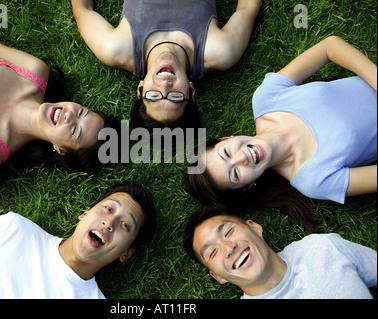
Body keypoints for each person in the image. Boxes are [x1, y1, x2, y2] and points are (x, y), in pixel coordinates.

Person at [184, 36, 377, 222]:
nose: (241, 158)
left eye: (226, 153)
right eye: (235, 174)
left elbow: (330, 47)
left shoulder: (266, 99)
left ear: (226, 138)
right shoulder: (312, 180)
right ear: (246, 187)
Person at [0, 22, 120, 172]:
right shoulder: (34, 70)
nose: (70, 116)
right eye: (81, 112)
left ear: (61, 149)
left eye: (75, 130)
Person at [0, 181, 156, 298]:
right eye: (108, 209)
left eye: (125, 224)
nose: (110, 222)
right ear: (85, 213)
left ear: (127, 252)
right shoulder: (13, 229)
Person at [71, 0, 262, 131]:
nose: (164, 85)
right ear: (191, 91)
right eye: (175, 97)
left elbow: (83, 10)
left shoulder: (116, 48)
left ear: (140, 89)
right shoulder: (220, 51)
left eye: (153, 96)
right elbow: (247, 8)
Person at [183, 205, 377, 299]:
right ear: (217, 276)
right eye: (212, 252)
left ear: (255, 228)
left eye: (228, 231)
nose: (228, 247)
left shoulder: (322, 247)